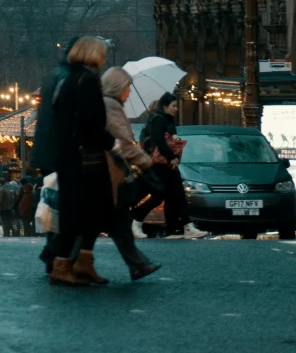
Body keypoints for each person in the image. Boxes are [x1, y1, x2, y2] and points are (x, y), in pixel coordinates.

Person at [33, 35, 119, 288]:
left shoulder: (67, 78)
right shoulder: (86, 80)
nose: (104, 58)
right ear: (91, 54)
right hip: (84, 157)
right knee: (79, 213)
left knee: (88, 211)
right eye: (101, 53)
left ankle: (82, 261)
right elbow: (90, 122)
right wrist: (111, 142)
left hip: (70, 155)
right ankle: (63, 264)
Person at [100, 68, 160, 283]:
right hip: (109, 172)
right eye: (127, 87)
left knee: (115, 222)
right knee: (114, 220)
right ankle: (137, 265)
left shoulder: (103, 104)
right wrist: (145, 162)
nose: (129, 92)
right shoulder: (112, 106)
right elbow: (124, 144)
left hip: (102, 172)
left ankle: (138, 265)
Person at [139, 96, 190, 237]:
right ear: (165, 107)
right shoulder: (156, 121)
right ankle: (135, 219)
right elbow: (156, 142)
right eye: (173, 106)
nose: (176, 109)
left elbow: (167, 137)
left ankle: (175, 227)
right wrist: (171, 156)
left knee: (171, 194)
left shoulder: (166, 121)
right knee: (163, 194)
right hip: (159, 162)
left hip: (165, 162)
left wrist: (174, 139)